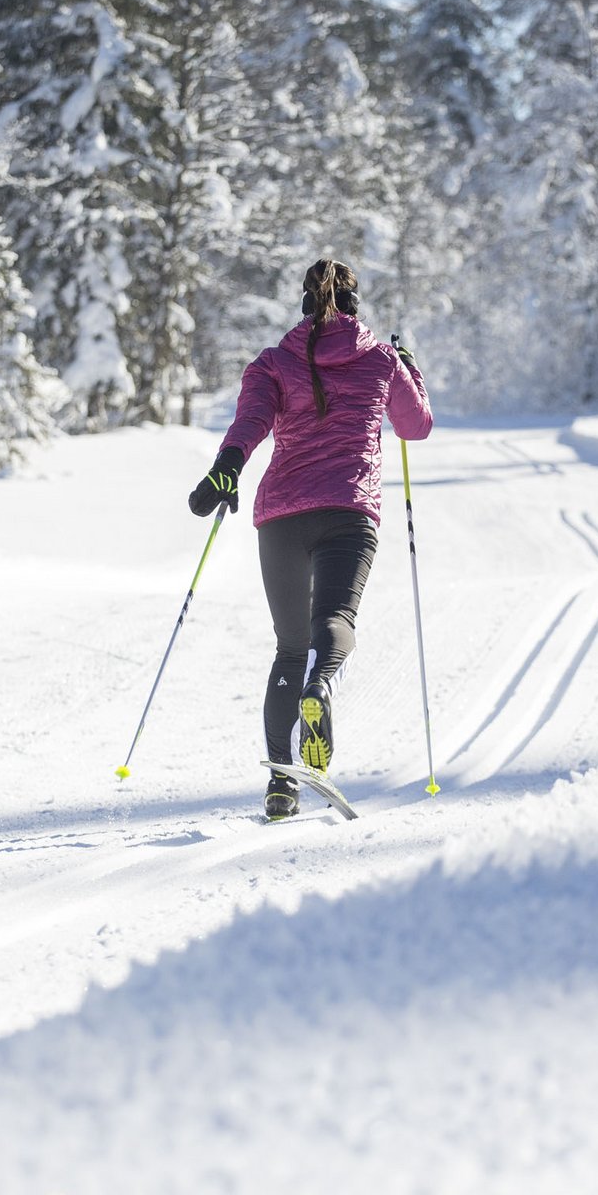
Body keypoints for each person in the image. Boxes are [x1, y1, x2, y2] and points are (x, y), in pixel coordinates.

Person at [188, 258, 433, 819]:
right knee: (335, 626)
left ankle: (280, 785)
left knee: (289, 647)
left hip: (281, 515)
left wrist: (228, 465)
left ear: (303, 303)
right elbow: (415, 426)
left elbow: (249, 421)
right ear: (355, 305)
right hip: (348, 509)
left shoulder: (274, 362)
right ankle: (320, 690)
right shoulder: (379, 359)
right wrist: (410, 371)